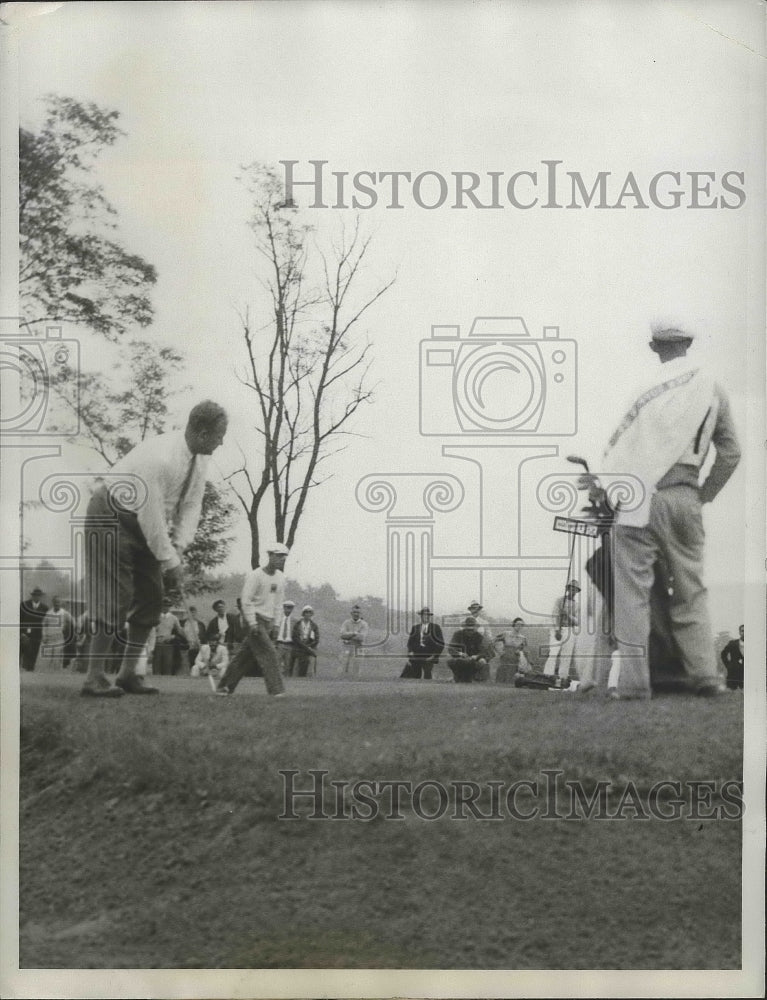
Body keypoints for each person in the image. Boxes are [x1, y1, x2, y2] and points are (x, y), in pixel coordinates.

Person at [592, 319, 740, 699]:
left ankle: (635, 683)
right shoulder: (713, 388)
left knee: (633, 594)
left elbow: (622, 453)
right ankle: (705, 675)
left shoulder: (644, 390)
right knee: (691, 589)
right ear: (688, 343)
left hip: (640, 498)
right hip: (685, 494)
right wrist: (703, 494)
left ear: (655, 347)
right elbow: (730, 453)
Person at [81, 400, 228, 697]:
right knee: (116, 596)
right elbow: (152, 515)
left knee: (152, 597)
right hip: (111, 515)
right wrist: (168, 559)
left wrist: (179, 547)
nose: (221, 441)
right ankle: (93, 678)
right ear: (201, 433)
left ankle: (127, 675)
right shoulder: (160, 458)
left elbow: (191, 505)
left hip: (145, 524)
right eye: (218, 435)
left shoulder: (200, 459)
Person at [214, 543, 289, 697]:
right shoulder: (256, 575)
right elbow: (246, 601)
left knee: (244, 657)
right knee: (269, 653)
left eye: (283, 557)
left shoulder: (281, 578)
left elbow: (278, 603)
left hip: (267, 622)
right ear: (270, 556)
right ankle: (277, 691)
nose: (281, 559)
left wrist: (276, 624)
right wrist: (252, 623)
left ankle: (224, 687)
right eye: (278, 556)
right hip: (254, 619)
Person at [542, 581, 581, 680]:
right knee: (553, 652)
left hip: (570, 630)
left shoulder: (577, 605)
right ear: (567, 589)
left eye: (575, 589)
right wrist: (556, 630)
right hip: (558, 628)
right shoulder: (559, 601)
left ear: (577, 591)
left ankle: (563, 677)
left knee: (566, 655)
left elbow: (578, 621)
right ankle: (548, 675)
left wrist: (567, 615)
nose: (572, 590)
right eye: (571, 588)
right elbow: (554, 615)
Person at [401, 607, 444, 679]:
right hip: (416, 655)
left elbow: (441, 643)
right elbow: (410, 643)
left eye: (428, 615)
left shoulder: (436, 627)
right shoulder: (415, 628)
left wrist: (434, 656)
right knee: (415, 676)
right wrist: (410, 652)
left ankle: (428, 689)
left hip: (429, 655)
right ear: (421, 616)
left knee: (427, 675)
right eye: (424, 615)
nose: (426, 617)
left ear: (430, 616)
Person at [446, 616, 491, 683]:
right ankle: (457, 677)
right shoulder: (457, 634)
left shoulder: (479, 637)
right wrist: (460, 654)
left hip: (473, 660)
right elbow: (450, 648)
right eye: (468, 629)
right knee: (450, 660)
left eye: (472, 629)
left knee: (482, 661)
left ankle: (475, 678)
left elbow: (483, 651)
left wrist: (476, 656)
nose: (470, 631)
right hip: (460, 659)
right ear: (465, 627)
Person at [39, 596, 74, 672]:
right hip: (49, 638)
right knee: (47, 658)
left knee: (57, 658)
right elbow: (44, 625)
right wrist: (44, 635)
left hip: (59, 638)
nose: (57, 604)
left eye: (58, 602)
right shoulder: (48, 613)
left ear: (60, 603)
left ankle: (56, 675)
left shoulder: (65, 613)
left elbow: (73, 622)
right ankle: (47, 674)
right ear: (53, 603)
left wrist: (66, 626)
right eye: (55, 602)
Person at [152, 598, 185, 676]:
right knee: (157, 665)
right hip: (157, 643)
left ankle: (167, 681)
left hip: (168, 644)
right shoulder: (155, 617)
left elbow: (180, 630)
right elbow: (151, 630)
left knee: (168, 665)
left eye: (167, 606)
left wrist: (188, 638)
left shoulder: (174, 618)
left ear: (169, 607)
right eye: (163, 606)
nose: (165, 608)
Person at [19, 587, 48, 672]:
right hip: (25, 633)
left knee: (34, 651)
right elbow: (20, 620)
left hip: (37, 634)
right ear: (32, 596)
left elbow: (45, 622)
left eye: (38, 595)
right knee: (24, 650)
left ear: (40, 597)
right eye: (35, 595)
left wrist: (44, 634)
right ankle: (22, 668)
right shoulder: (24, 605)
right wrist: (21, 632)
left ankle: (30, 669)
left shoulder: (45, 608)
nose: (37, 597)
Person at [495, 617, 529, 684]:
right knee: (501, 680)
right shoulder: (506, 634)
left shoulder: (523, 638)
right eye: (518, 624)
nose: (519, 626)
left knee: (511, 680)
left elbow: (525, 650)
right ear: (514, 624)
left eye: (521, 625)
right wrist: (500, 651)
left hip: (515, 660)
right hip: (504, 658)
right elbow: (494, 641)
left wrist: (520, 652)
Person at [339, 605, 368, 678]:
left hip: (359, 646)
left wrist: (349, 635)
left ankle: (356, 682)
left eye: (358, 612)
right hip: (347, 646)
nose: (356, 614)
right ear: (351, 613)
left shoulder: (364, 624)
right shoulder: (346, 622)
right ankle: (342, 681)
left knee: (357, 666)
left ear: (360, 614)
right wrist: (354, 633)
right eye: (354, 612)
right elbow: (342, 635)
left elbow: (362, 637)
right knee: (343, 664)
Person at [292, 606, 320, 677]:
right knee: (296, 669)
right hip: (298, 649)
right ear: (303, 614)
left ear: (311, 614)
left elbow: (316, 639)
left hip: (310, 650)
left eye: (309, 612)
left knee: (309, 669)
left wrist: (310, 646)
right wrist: (305, 647)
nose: (308, 614)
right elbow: (295, 638)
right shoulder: (297, 624)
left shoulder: (314, 626)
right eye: (306, 612)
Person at [181, 605, 206, 673]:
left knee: (195, 663)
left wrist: (198, 643)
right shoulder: (182, 623)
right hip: (186, 646)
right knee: (185, 663)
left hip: (196, 646)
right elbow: (180, 634)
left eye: (193, 612)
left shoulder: (200, 624)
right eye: (190, 612)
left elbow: (203, 636)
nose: (192, 614)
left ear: (196, 613)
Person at [275, 600, 297, 675]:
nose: (288, 610)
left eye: (290, 608)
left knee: (288, 665)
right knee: (277, 664)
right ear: (283, 608)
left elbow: (296, 635)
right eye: (287, 607)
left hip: (289, 645)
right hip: (280, 644)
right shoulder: (278, 619)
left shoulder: (295, 621)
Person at [720, 625, 744, 691]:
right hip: (733, 675)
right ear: (739, 632)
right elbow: (723, 654)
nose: (744, 633)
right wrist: (728, 665)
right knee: (732, 696)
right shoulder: (732, 643)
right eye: (742, 631)